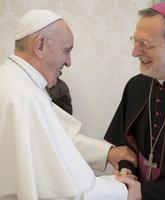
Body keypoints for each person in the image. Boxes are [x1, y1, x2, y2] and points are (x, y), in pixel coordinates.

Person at [0, 9, 137, 200]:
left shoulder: (15, 81)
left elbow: (57, 138)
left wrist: (107, 153)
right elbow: (59, 193)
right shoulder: (23, 97)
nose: (69, 62)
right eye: (67, 51)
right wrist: (122, 190)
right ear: (40, 45)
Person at [105, 2, 165, 199]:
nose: (135, 52)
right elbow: (124, 146)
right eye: (135, 41)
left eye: (145, 44)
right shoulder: (135, 86)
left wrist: (146, 192)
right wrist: (126, 169)